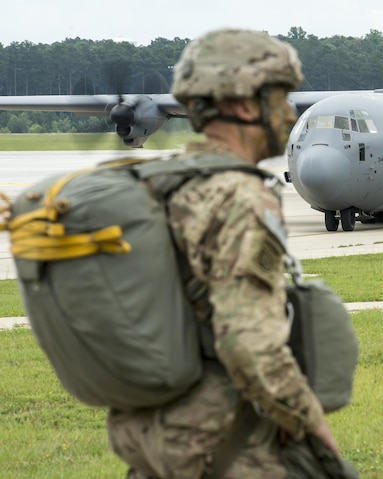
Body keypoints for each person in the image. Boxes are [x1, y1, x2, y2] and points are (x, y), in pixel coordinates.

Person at [105, 29, 340, 478]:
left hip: (150, 437)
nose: (287, 111)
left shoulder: (161, 184)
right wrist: (311, 426)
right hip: (223, 446)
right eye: (278, 96)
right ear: (242, 104)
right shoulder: (241, 199)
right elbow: (247, 339)